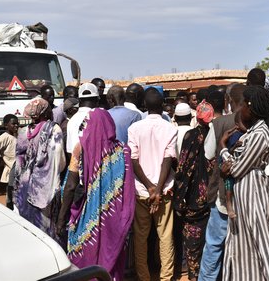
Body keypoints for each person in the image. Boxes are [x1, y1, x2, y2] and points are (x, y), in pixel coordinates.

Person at [219, 85, 269, 280]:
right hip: (246, 195)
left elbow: (237, 169)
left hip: (254, 194)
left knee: (265, 241)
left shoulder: (259, 134)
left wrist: (224, 148)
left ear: (251, 107)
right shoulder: (253, 132)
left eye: (243, 106)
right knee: (245, 243)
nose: (240, 110)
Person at [57, 109, 135, 280]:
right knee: (112, 256)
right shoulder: (123, 151)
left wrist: (61, 220)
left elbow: (70, 185)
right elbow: (127, 189)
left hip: (86, 218)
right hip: (114, 219)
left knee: (85, 257)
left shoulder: (80, 148)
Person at [128, 89, 177, 281]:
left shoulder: (135, 129)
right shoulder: (169, 128)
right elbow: (168, 159)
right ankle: (166, 277)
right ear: (163, 104)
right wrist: (157, 189)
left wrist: (149, 187)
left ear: (145, 106)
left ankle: (144, 277)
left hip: (142, 191)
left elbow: (133, 160)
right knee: (165, 237)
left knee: (141, 237)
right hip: (163, 192)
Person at [199, 83, 245, 281]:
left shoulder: (218, 124)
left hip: (222, 194)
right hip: (248, 196)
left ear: (228, 101)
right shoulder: (258, 123)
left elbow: (209, 153)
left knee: (214, 244)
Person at [13, 98, 66, 243]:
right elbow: (59, 161)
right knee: (46, 227)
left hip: (25, 185)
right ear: (45, 111)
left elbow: (18, 161)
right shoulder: (53, 129)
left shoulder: (24, 131)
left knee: (29, 223)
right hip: (45, 187)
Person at [173, 101, 215, 281]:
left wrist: (178, 196)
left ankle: (194, 275)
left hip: (194, 198)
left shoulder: (192, 135)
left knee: (192, 242)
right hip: (213, 195)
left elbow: (184, 168)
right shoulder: (217, 132)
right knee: (211, 240)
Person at [66, 83, 99, 155]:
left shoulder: (72, 121)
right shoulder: (100, 118)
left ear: (79, 100)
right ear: (97, 100)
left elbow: (70, 152)